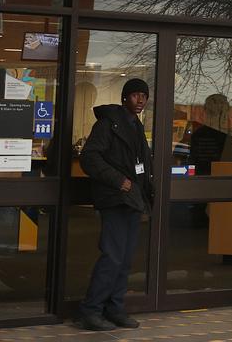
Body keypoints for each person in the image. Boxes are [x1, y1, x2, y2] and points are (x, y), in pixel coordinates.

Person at [78, 78, 154, 332]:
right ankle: (92, 310)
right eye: (135, 95)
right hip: (114, 198)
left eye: (143, 95)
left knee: (124, 259)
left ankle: (115, 309)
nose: (140, 100)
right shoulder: (107, 124)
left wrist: (144, 194)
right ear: (125, 98)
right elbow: (89, 157)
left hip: (133, 200)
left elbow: (141, 164)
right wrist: (118, 180)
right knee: (112, 256)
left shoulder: (136, 126)